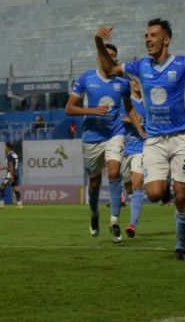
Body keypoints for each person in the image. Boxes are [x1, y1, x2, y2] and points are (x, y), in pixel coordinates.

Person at [94, 18, 185, 260]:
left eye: (153, 35)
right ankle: (167, 188)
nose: (147, 39)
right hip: (154, 141)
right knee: (153, 193)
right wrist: (98, 42)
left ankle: (181, 245)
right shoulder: (141, 66)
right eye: (146, 35)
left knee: (182, 195)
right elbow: (111, 70)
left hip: (183, 138)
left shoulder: (184, 65)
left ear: (166, 39)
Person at [65, 42, 134, 244]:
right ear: (98, 57)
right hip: (92, 137)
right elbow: (69, 109)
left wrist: (138, 125)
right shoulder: (87, 78)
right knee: (94, 181)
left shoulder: (123, 83)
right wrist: (92, 111)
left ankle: (114, 221)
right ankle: (94, 213)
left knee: (114, 172)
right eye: (106, 54)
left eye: (113, 55)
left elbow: (129, 109)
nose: (110, 58)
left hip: (115, 133)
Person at [121, 79, 148, 238]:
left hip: (142, 149)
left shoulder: (149, 101)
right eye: (134, 80)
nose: (137, 83)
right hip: (124, 149)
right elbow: (119, 118)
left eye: (140, 80)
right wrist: (134, 118)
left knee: (138, 183)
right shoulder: (124, 100)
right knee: (129, 188)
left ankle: (132, 224)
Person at [0, 142, 23, 208]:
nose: (4, 149)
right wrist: (1, 168)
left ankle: (1, 203)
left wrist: (11, 175)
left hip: (10, 173)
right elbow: (12, 165)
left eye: (5, 147)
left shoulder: (9, 155)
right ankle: (19, 204)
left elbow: (11, 165)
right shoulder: (15, 155)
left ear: (8, 148)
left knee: (2, 186)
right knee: (15, 189)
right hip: (16, 173)